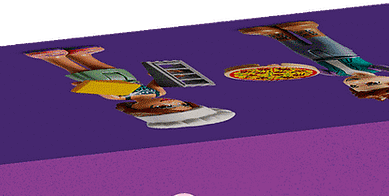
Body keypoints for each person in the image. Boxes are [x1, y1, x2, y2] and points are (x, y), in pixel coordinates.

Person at [24, 47, 235, 129]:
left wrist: (89, 86)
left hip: (112, 84)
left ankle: (57, 59)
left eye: (164, 107)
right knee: (109, 68)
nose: (170, 101)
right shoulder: (157, 92)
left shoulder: (120, 96)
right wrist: (160, 77)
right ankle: (83, 56)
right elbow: (158, 82)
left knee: (82, 72)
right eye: (181, 104)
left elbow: (101, 90)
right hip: (126, 77)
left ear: (139, 110)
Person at [237, 20, 389, 100]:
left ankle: (276, 34)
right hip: (342, 54)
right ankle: (308, 31)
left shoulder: (339, 74)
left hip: (315, 58)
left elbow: (319, 71)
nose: (355, 83)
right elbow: (380, 66)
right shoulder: (370, 68)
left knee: (296, 47)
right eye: (372, 84)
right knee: (323, 42)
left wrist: (292, 69)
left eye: (355, 87)